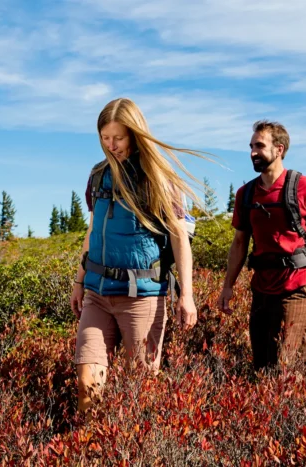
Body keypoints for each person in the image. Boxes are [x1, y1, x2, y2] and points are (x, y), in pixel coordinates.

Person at [70, 98, 205, 411]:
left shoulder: (158, 177)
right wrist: (79, 282)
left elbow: (179, 238)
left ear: (134, 133)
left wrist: (187, 295)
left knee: (140, 392)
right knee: (88, 389)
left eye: (118, 137)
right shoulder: (98, 176)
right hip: (97, 295)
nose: (111, 145)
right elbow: (92, 233)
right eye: (105, 138)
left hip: (142, 297)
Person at [217, 120, 306, 371]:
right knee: (261, 363)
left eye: (259, 146)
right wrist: (227, 287)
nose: (253, 152)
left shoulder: (303, 186)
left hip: (297, 285)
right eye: (251, 146)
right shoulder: (245, 194)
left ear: (279, 149)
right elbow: (239, 243)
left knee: (288, 365)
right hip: (261, 287)